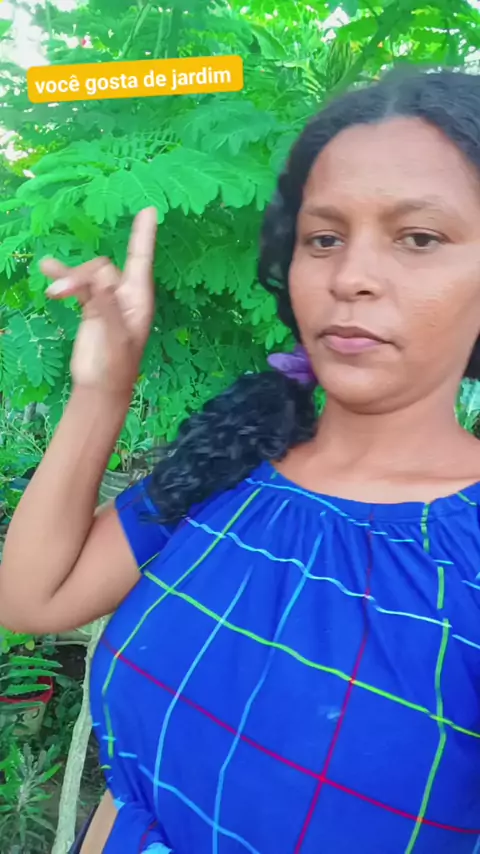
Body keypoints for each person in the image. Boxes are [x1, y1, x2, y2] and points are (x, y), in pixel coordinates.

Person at [2, 65, 480, 854]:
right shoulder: (235, 459)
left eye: (419, 238)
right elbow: (33, 598)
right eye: (324, 239)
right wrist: (104, 389)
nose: (351, 276)